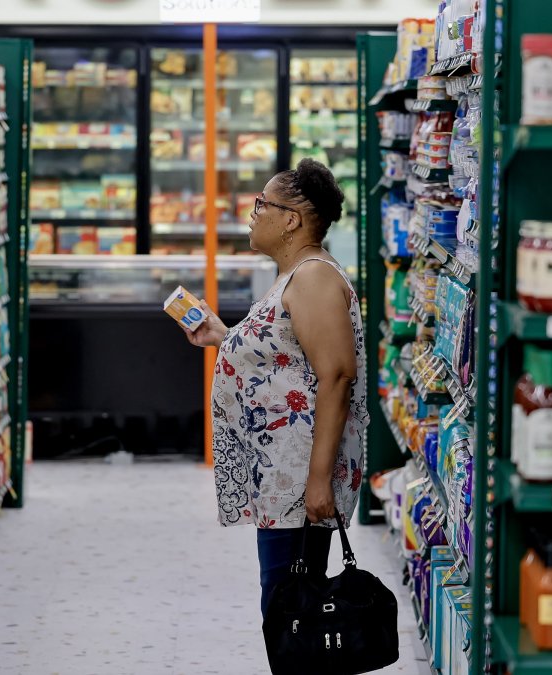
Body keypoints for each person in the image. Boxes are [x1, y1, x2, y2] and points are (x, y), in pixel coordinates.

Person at [182, 158, 369, 618]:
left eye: (261, 203)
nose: (252, 212)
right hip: (284, 480)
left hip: (301, 484)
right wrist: (223, 337)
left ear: (291, 220)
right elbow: (289, 359)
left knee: (292, 620)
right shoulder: (297, 275)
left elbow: (338, 375)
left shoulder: (314, 278)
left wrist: (319, 481)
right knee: (288, 611)